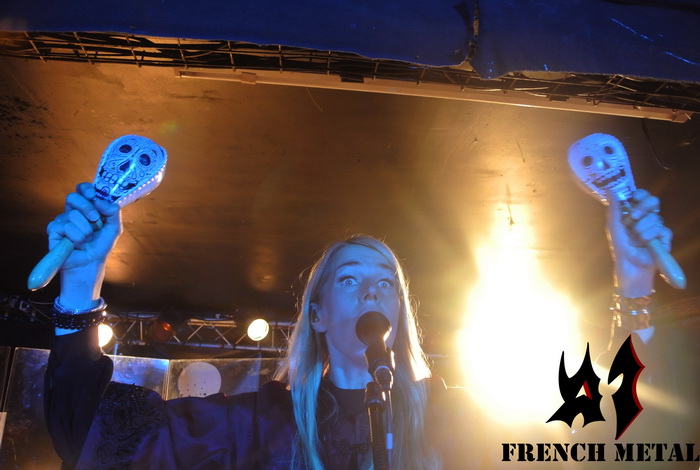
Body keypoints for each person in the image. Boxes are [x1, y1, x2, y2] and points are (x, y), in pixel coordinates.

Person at [43, 183, 671, 469]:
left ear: (399, 314)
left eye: (386, 282)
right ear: (316, 314)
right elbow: (90, 434)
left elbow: (612, 437)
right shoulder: (258, 423)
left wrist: (635, 282)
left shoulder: (459, 421)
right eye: (348, 279)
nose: (371, 290)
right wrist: (81, 281)